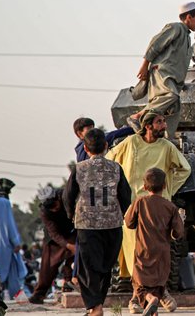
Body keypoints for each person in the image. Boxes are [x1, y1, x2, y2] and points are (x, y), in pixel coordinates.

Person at [107, 111, 191, 314]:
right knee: (136, 254)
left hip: (159, 206)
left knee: (158, 253)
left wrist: (168, 189)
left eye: (164, 121)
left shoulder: (167, 147)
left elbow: (184, 169)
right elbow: (110, 159)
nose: (164, 125)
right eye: (160, 122)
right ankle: (150, 295)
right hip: (133, 206)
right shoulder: (130, 142)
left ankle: (146, 296)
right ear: (147, 126)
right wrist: (120, 189)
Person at [64, 128, 132, 316]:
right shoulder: (116, 168)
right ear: (106, 146)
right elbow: (125, 195)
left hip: (87, 224)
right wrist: (125, 214)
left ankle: (95, 306)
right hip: (113, 224)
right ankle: (97, 305)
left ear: (85, 148)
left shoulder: (79, 169)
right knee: (105, 266)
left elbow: (68, 196)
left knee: (89, 268)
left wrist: (71, 215)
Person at [126, 1, 195, 139]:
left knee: (174, 109)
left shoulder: (187, 37)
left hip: (173, 78)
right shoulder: (176, 28)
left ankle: (167, 138)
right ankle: (137, 117)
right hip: (162, 73)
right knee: (170, 96)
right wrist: (144, 66)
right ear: (189, 17)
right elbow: (155, 44)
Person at [124, 168, 185, 316]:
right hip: (163, 252)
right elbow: (178, 233)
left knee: (140, 286)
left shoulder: (140, 203)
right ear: (164, 186)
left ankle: (151, 300)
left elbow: (129, 223)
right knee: (158, 283)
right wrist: (181, 220)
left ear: (144, 187)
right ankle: (154, 306)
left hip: (143, 251)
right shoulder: (170, 206)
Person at [28, 186, 77, 305]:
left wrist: (73, 246)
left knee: (76, 253)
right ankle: (39, 293)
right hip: (54, 238)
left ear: (58, 198)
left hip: (72, 231)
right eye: (51, 208)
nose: (54, 209)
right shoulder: (45, 212)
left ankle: (68, 281)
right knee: (47, 266)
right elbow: (54, 233)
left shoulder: (66, 196)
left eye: (55, 205)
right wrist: (67, 245)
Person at [0, 178, 27, 298]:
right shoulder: (4, 202)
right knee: (12, 273)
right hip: (4, 247)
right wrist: (16, 242)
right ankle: (18, 297)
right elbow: (9, 225)